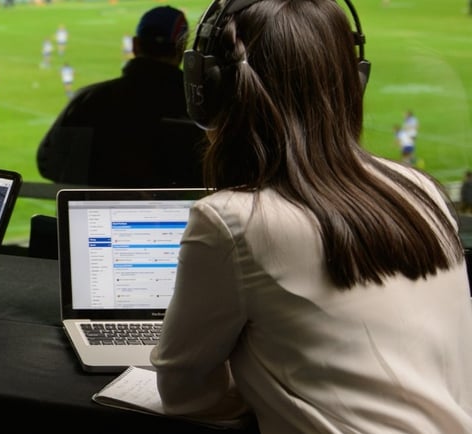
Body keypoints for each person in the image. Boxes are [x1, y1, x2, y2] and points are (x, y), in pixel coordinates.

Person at [150, 0, 472, 432]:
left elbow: (185, 395)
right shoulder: (422, 191)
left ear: (205, 88)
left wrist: (259, 380)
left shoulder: (230, 219)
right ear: (354, 81)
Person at [36, 5, 203, 187]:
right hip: (185, 205)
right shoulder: (203, 106)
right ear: (182, 49)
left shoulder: (88, 100)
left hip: (98, 204)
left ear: (135, 45)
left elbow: (50, 163)